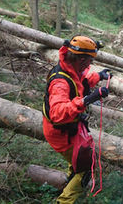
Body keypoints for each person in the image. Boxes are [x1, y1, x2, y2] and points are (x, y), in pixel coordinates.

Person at [43, 35, 112, 204]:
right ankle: (64, 201)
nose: (90, 64)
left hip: (67, 129)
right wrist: (87, 100)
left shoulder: (71, 67)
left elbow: (82, 80)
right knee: (86, 168)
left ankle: (69, 180)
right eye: (89, 61)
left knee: (77, 161)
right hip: (61, 133)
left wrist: (99, 76)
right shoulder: (60, 81)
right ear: (81, 59)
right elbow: (57, 113)